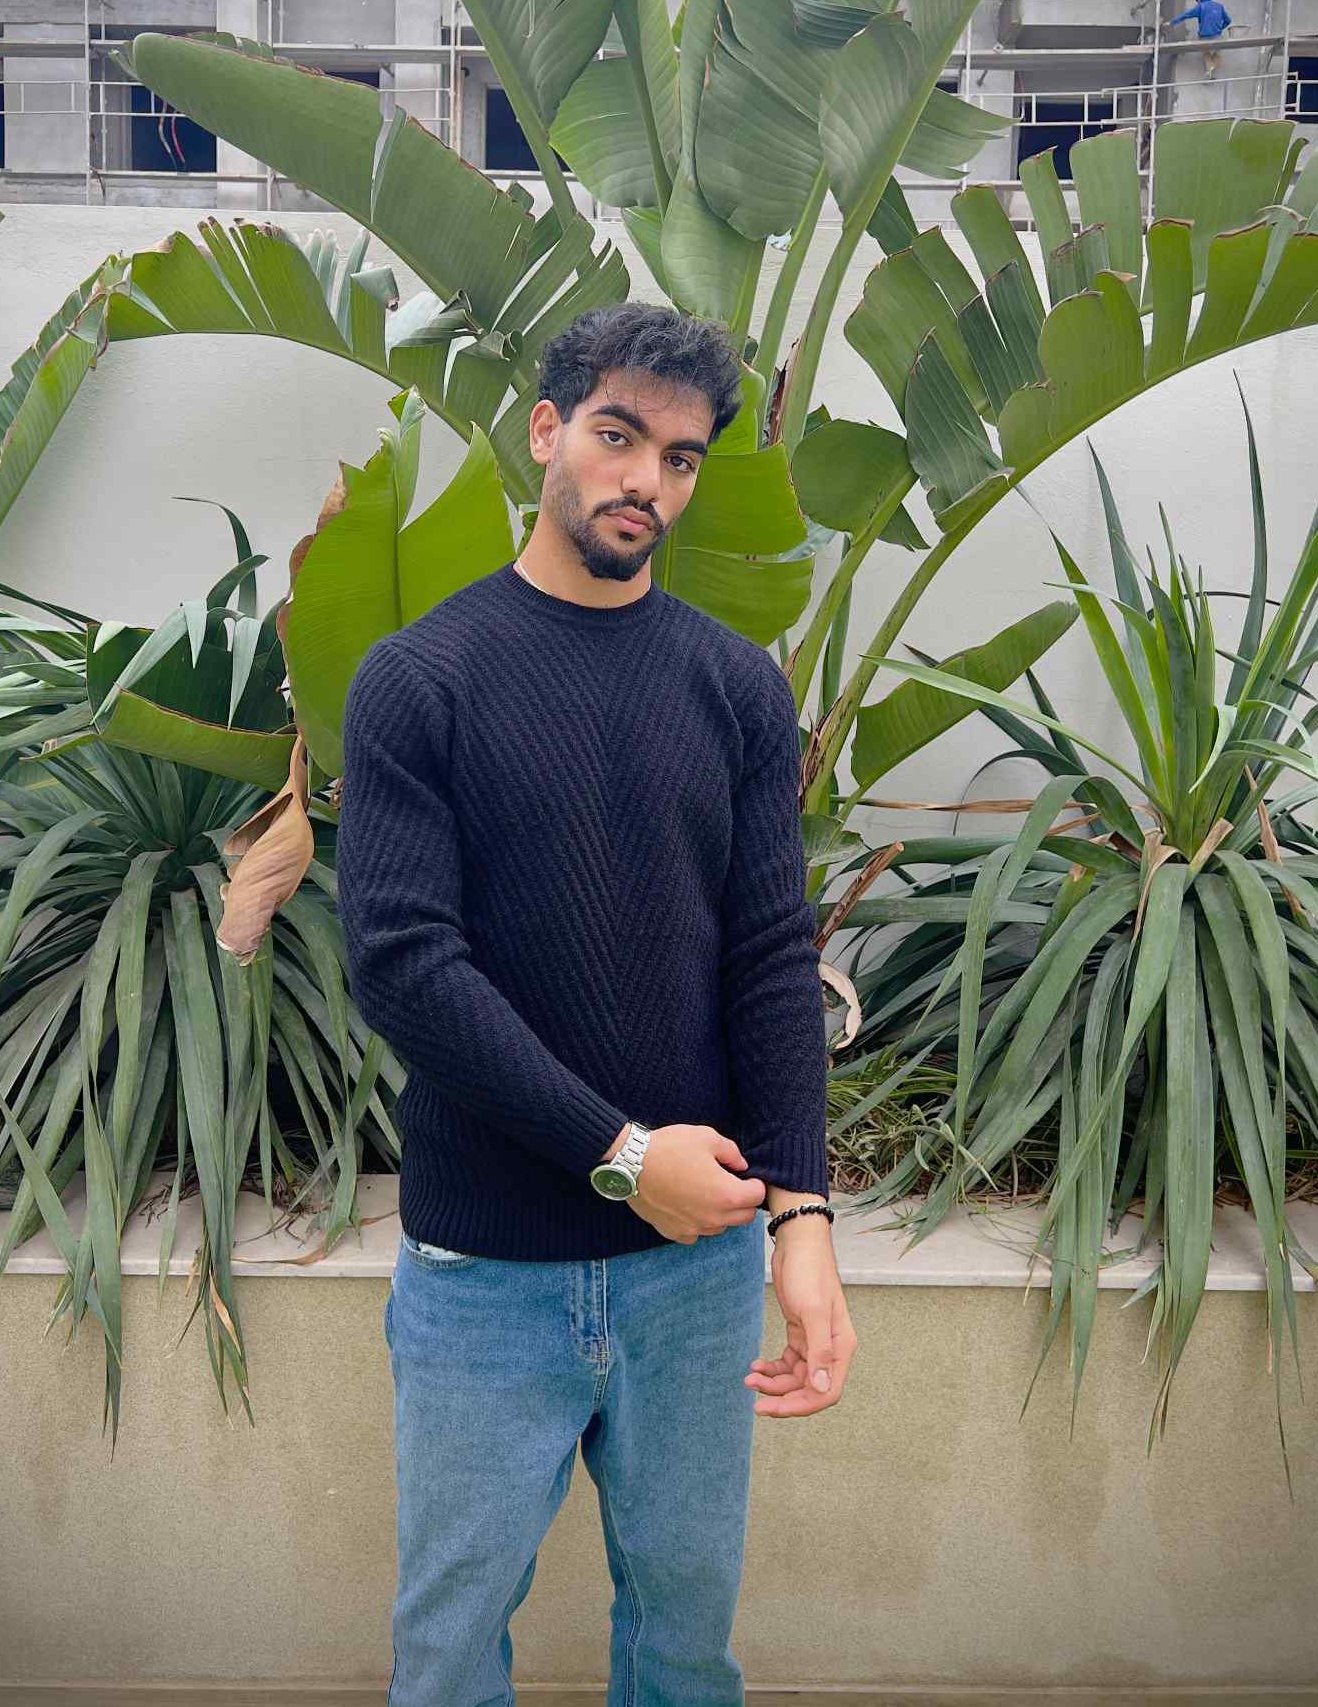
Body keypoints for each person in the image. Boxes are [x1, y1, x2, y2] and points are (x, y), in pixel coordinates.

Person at [335, 300, 858, 1706]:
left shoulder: (736, 687)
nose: (648, 481)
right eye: (621, 437)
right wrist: (625, 1157)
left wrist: (802, 1224)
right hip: (485, 1275)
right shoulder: (419, 679)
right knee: (448, 1647)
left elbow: (766, 955)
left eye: (681, 458)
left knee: (685, 1645)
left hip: (696, 1274)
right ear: (550, 429)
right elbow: (402, 960)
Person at [1168, 1, 1234, 80]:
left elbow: (1185, 15)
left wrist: (1171, 22)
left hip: (1204, 38)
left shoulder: (1200, 7)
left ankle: (1209, 70)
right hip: (1217, 37)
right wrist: (1220, 28)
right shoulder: (1219, 6)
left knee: (1206, 54)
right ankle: (1210, 69)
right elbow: (1228, 21)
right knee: (1217, 55)